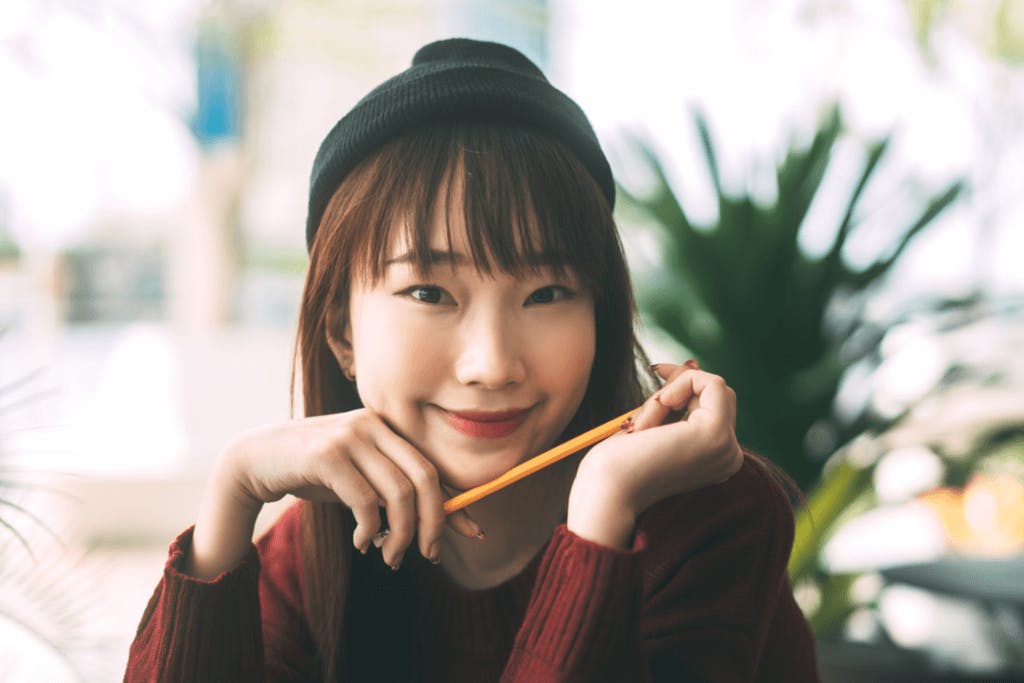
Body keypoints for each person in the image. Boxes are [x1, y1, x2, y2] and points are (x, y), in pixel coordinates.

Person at [124, 37, 820, 682]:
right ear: (340, 329)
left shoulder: (710, 522)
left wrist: (602, 512)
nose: (491, 364)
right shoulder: (318, 550)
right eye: (429, 291)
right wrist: (233, 492)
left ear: (599, 314)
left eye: (548, 293)